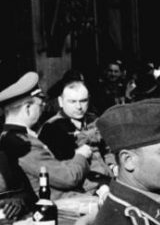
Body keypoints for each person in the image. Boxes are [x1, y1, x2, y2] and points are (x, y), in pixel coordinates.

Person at [0, 72, 94, 200]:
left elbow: (54, 167)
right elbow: (67, 178)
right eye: (40, 105)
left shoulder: (13, 137)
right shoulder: (22, 143)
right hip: (59, 205)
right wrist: (81, 155)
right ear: (27, 108)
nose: (43, 109)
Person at [38, 80, 112, 189]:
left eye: (83, 101)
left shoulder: (94, 119)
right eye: (72, 102)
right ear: (61, 102)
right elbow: (61, 170)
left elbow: (107, 149)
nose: (79, 107)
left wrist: (113, 166)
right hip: (82, 187)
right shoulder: (52, 128)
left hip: (108, 178)